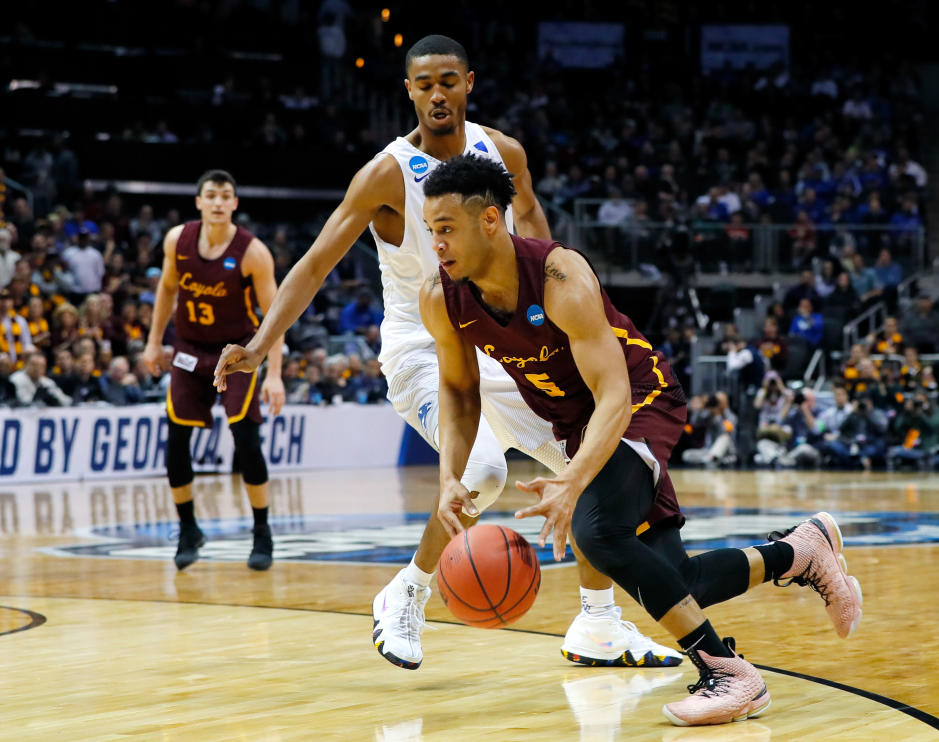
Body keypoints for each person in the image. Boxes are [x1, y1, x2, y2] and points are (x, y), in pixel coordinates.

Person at [213, 35, 676, 671]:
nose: (438, 93)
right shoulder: (386, 173)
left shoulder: (503, 153)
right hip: (422, 349)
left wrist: (554, 317)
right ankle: (406, 592)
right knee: (481, 475)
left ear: (468, 83)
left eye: (449, 81)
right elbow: (318, 260)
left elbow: (537, 235)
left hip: (501, 339)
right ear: (409, 91)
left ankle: (598, 622)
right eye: (425, 83)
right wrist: (263, 344)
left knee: (589, 456)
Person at [421, 154, 863, 726]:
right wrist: (449, 477)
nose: (436, 244)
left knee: (596, 533)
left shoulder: (560, 277)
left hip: (640, 399)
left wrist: (573, 481)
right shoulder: (442, 296)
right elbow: (459, 393)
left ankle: (728, 674)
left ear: (488, 221)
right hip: (581, 425)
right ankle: (800, 551)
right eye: (431, 230)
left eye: (446, 228)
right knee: (675, 584)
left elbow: (614, 396)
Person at [143, 169, 286, 571]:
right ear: (199, 202)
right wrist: (154, 341)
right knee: (175, 441)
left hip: (236, 353)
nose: (219, 202)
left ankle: (262, 531)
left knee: (246, 439)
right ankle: (188, 529)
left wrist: (274, 374)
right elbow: (167, 288)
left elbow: (274, 315)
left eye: (226, 196)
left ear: (235, 204)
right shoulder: (178, 240)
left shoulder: (253, 252)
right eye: (212, 195)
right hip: (188, 350)